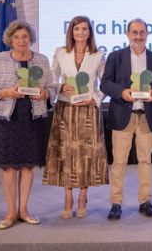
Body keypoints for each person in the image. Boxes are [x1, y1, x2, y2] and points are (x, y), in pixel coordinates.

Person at [0, 20, 56, 230]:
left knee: (28, 165)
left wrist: (45, 93)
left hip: (33, 120)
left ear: (31, 39)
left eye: (25, 37)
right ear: (10, 40)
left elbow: (52, 88)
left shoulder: (41, 59)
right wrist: (5, 92)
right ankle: (11, 211)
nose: (21, 40)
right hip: (6, 120)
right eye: (17, 37)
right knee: (9, 166)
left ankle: (24, 210)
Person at [101, 18, 152, 219]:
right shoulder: (115, 57)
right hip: (123, 115)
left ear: (147, 34)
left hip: (147, 116)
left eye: (142, 32)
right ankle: (116, 203)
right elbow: (105, 84)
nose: (138, 36)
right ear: (127, 34)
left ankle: (145, 201)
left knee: (145, 161)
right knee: (119, 162)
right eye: (134, 32)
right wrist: (121, 92)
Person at [42, 16, 109, 219]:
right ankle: (68, 199)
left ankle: (82, 198)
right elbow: (51, 79)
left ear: (90, 33)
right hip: (66, 108)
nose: (81, 32)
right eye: (77, 28)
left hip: (88, 109)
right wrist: (61, 86)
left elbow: (106, 83)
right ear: (71, 31)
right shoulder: (60, 52)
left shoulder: (98, 55)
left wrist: (95, 99)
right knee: (67, 154)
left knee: (86, 154)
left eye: (85, 29)